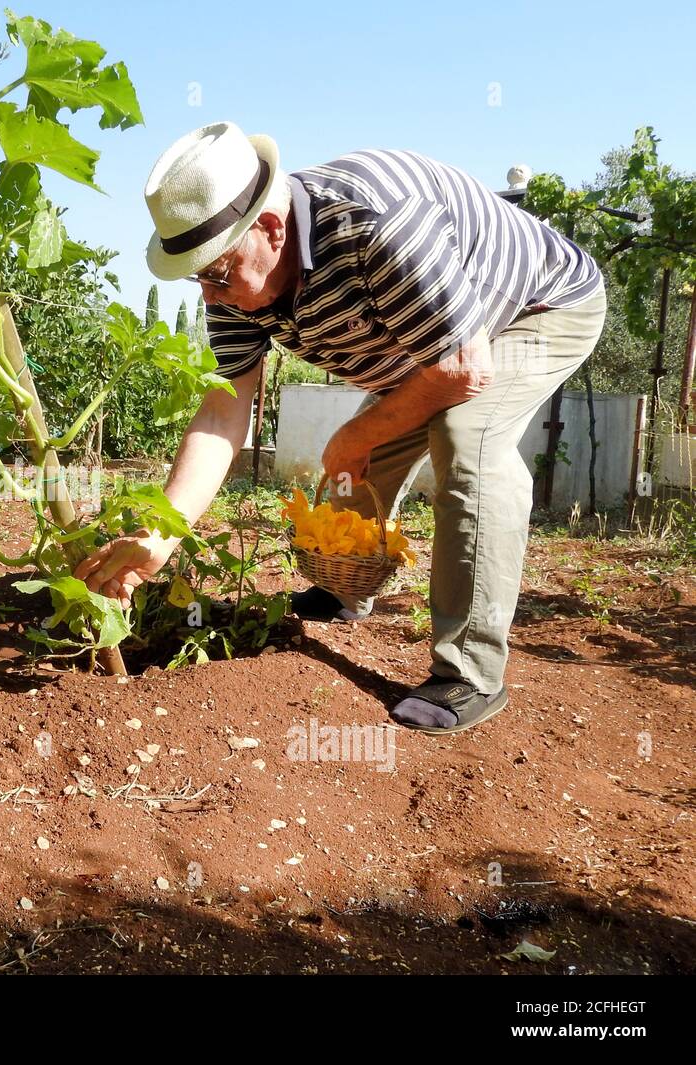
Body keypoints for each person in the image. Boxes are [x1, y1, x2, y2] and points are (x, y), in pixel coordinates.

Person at [73, 121, 606, 734]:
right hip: (431, 346)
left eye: (216, 275)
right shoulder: (233, 282)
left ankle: (470, 673)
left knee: (466, 442)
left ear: (271, 230)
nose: (211, 299)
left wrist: (354, 435)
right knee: (361, 468)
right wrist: (158, 538)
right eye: (199, 278)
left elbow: (462, 368)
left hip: (538, 309)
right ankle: (347, 590)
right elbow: (223, 412)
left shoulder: (377, 227)